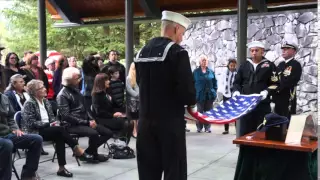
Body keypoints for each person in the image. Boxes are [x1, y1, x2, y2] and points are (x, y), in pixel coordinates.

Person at [134, 10, 196, 180]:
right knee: (174, 170)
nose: (181, 38)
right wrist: (191, 103)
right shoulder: (178, 53)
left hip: (145, 123)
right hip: (170, 124)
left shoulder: (141, 53)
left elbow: (140, 83)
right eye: (182, 33)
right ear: (175, 29)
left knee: (147, 171)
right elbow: (187, 92)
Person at [21, 79, 94, 177]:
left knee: (60, 135)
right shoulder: (29, 103)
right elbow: (30, 123)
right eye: (41, 88)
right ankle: (76, 149)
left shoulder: (46, 101)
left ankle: (62, 168)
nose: (45, 89)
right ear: (35, 92)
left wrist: (54, 123)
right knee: (60, 131)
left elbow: (52, 117)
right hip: (35, 131)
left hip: (49, 129)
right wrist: (48, 124)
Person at [57, 67, 112, 162]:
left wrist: (91, 119)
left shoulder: (77, 91)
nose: (80, 79)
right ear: (70, 79)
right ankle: (93, 154)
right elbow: (66, 116)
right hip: (71, 124)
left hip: (83, 121)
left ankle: (89, 152)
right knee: (94, 133)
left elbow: (86, 108)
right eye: (77, 78)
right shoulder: (62, 95)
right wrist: (87, 122)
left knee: (108, 133)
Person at [232, 41, 279, 136]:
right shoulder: (244, 65)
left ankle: (260, 151)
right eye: (252, 50)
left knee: (261, 132)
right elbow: (237, 82)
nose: (254, 53)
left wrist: (267, 91)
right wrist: (236, 91)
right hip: (246, 104)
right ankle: (245, 150)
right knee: (245, 132)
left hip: (262, 104)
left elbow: (275, 83)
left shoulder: (270, 65)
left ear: (262, 51)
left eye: (256, 50)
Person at [0, 92, 43, 180]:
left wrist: (15, 128)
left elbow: (10, 118)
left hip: (6, 133)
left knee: (36, 139)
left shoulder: (3, 97)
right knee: (7, 145)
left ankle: (28, 176)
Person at [92, 73, 134, 144]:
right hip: (103, 119)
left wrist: (126, 109)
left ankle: (124, 143)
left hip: (111, 117)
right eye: (106, 80)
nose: (109, 81)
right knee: (126, 123)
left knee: (131, 122)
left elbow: (117, 105)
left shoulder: (108, 92)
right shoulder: (96, 95)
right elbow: (98, 112)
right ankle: (120, 143)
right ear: (101, 82)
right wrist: (113, 115)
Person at [273, 41, 302, 120]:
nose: (283, 51)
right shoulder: (280, 64)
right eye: (283, 49)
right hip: (278, 97)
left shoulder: (295, 64)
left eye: (287, 49)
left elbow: (291, 80)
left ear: (294, 51)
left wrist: (278, 87)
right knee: (277, 120)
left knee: (287, 120)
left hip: (288, 97)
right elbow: (274, 78)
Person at [193, 55, 217, 133]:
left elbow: (215, 83)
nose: (204, 62)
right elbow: (192, 83)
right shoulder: (196, 72)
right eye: (202, 60)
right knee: (199, 111)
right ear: (200, 62)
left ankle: (207, 127)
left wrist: (214, 91)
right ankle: (199, 127)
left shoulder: (211, 71)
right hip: (199, 95)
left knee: (208, 112)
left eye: (205, 60)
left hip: (209, 95)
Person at [221, 59, 237, 134]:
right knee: (226, 112)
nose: (232, 67)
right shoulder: (225, 72)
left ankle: (237, 129)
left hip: (234, 94)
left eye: (234, 66)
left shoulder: (237, 73)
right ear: (228, 65)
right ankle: (226, 129)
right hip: (226, 94)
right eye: (231, 65)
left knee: (236, 112)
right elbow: (222, 82)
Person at [126, 62, 139, 138]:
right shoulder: (129, 78)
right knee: (134, 117)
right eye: (134, 68)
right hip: (133, 100)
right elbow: (129, 89)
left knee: (139, 115)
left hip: (140, 99)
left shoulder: (140, 76)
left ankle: (138, 130)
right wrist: (137, 95)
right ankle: (134, 130)